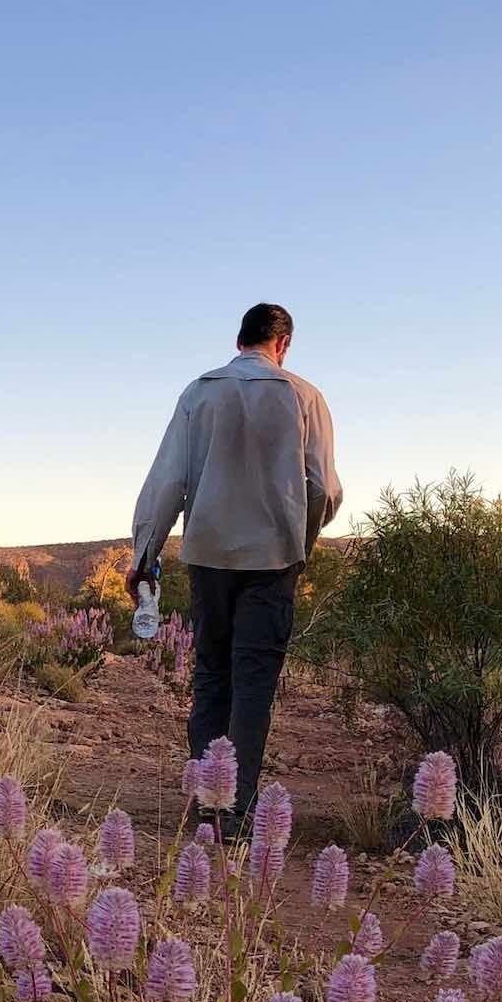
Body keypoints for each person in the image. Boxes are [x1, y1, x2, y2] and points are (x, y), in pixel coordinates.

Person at [127, 302, 342, 834]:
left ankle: (206, 800)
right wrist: (300, 540)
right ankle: (236, 812)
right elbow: (324, 489)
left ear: (239, 338)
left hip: (209, 556)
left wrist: (144, 556)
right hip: (273, 562)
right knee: (253, 683)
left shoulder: (200, 393)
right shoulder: (304, 397)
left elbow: (166, 483)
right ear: (283, 344)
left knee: (211, 674)